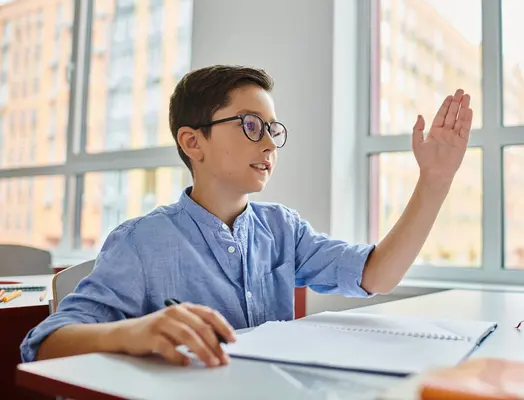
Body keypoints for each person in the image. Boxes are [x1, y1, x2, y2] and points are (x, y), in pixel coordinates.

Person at [20, 65, 472, 368]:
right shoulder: (141, 242)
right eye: (250, 125)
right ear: (193, 143)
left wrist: (434, 181)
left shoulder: (282, 228)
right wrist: (136, 330)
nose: (270, 143)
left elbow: (376, 275)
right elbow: (44, 344)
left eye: (273, 129)